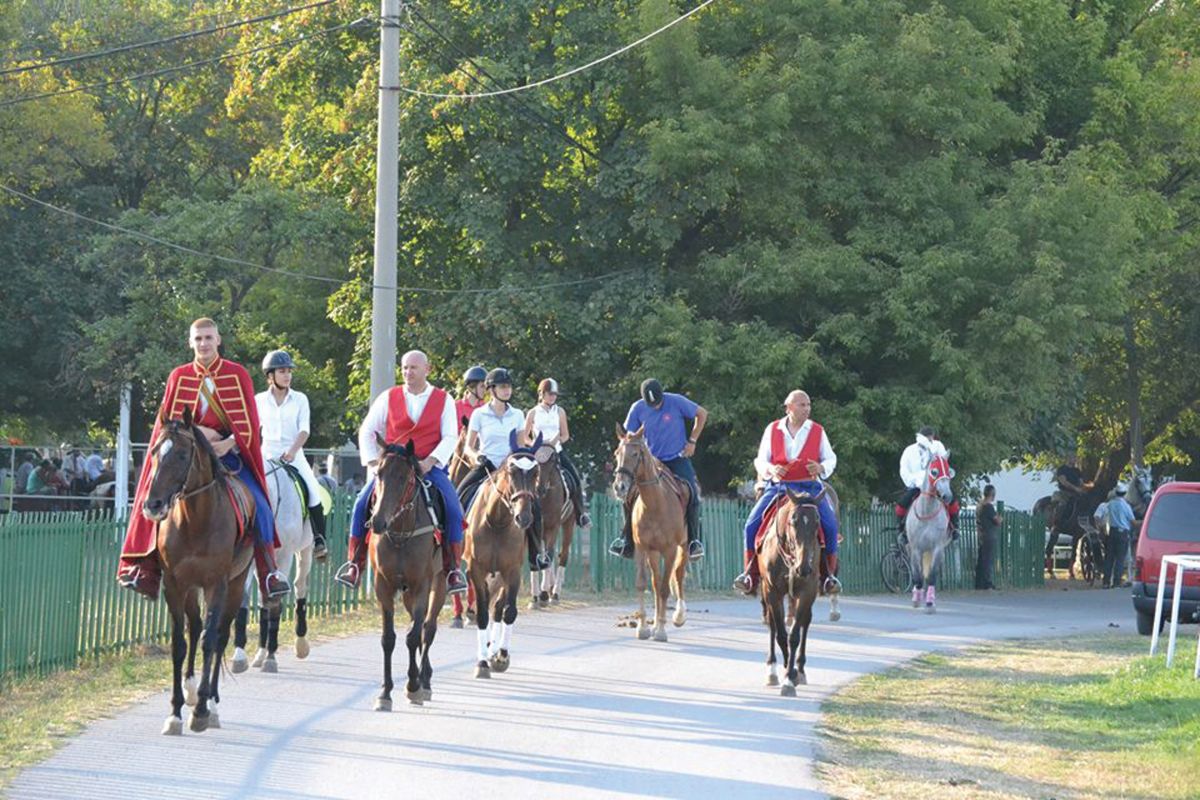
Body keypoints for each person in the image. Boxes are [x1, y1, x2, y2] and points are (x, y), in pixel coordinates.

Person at [117, 318, 291, 601]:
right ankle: (145, 569)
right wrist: (196, 435)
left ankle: (268, 572)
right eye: (198, 339)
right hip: (187, 456)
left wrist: (226, 443)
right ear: (190, 343)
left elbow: (249, 423)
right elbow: (168, 424)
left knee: (259, 502)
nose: (204, 343)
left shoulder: (238, 375)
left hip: (228, 455)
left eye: (208, 338)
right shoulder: (178, 376)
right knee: (153, 492)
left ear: (218, 340)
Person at [334, 350, 468, 594]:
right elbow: (367, 431)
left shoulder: (443, 399)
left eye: (413, 368)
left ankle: (453, 569)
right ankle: (355, 563)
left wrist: (432, 461)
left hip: (427, 467)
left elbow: (450, 435)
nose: (408, 372)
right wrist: (374, 463)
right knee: (361, 503)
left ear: (427, 370)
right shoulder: (389, 396)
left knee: (452, 506)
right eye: (405, 368)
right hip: (394, 468)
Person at [733, 390, 839, 595]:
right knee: (751, 525)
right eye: (802, 405)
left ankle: (829, 577)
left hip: (810, 486)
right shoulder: (772, 429)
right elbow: (761, 460)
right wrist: (771, 469)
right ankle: (750, 575)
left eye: (808, 405)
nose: (807, 409)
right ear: (788, 407)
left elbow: (830, 459)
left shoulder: (817, 430)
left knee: (830, 525)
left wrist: (821, 467)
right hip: (779, 488)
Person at [457, 368, 551, 570]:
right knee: (459, 497)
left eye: (509, 386)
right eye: (502, 387)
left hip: (511, 469)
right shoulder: (478, 414)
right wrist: (477, 457)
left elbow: (518, 445)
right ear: (492, 389)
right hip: (485, 465)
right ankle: (454, 556)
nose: (507, 390)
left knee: (533, 506)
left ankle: (536, 555)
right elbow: (468, 447)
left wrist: (514, 461)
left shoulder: (517, 414)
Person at [609, 379, 707, 561]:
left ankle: (694, 541)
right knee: (628, 495)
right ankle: (627, 541)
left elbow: (701, 414)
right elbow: (628, 437)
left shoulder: (676, 401)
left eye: (658, 403)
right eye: (651, 404)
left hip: (677, 458)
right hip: (650, 462)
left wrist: (692, 441)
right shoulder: (637, 408)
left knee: (692, 492)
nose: (655, 406)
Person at [255, 349, 328, 560]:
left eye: (289, 371)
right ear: (270, 376)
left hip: (294, 455)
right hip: (266, 455)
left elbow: (304, 430)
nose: (287, 375)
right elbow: (252, 427)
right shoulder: (259, 400)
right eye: (282, 371)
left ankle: (319, 540)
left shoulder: (300, 399)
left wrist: (292, 451)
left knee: (314, 492)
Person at [523, 378, 591, 528]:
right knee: (523, 477)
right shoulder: (532, 413)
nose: (553, 397)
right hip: (538, 453)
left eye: (555, 394)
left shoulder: (560, 412)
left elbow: (565, 435)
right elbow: (524, 437)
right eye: (550, 394)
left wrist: (556, 441)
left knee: (574, 478)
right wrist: (535, 444)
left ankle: (581, 514)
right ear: (542, 393)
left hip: (556, 452)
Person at [898, 426, 960, 538]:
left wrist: (942, 480)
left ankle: (954, 527)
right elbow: (904, 470)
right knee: (902, 503)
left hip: (936, 484)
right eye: (929, 437)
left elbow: (943, 464)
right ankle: (901, 530)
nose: (931, 439)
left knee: (952, 499)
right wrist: (914, 482)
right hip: (916, 485)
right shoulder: (909, 451)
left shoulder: (937, 447)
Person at [1104, 484, 1135, 589]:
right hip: (1122, 533)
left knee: (1109, 558)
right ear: (1125, 493)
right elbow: (1132, 521)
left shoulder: (1110, 504)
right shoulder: (1126, 506)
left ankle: (1106, 582)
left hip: (1112, 532)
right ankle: (1117, 582)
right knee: (1120, 559)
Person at [975, 485, 1002, 590]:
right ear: (992, 494)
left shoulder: (979, 506)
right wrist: (1000, 518)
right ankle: (987, 582)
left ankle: (979, 582)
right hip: (989, 536)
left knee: (981, 559)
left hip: (981, 535)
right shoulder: (988, 507)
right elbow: (997, 520)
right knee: (988, 560)